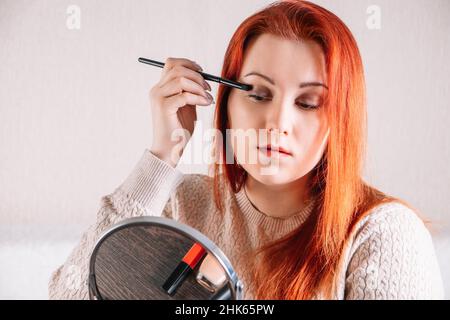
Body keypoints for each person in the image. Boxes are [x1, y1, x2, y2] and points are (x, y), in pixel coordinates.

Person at [49, 0, 444, 299]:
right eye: (257, 93)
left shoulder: (383, 232)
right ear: (226, 104)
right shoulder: (183, 205)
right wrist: (161, 157)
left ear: (339, 120)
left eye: (307, 103)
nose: (277, 123)